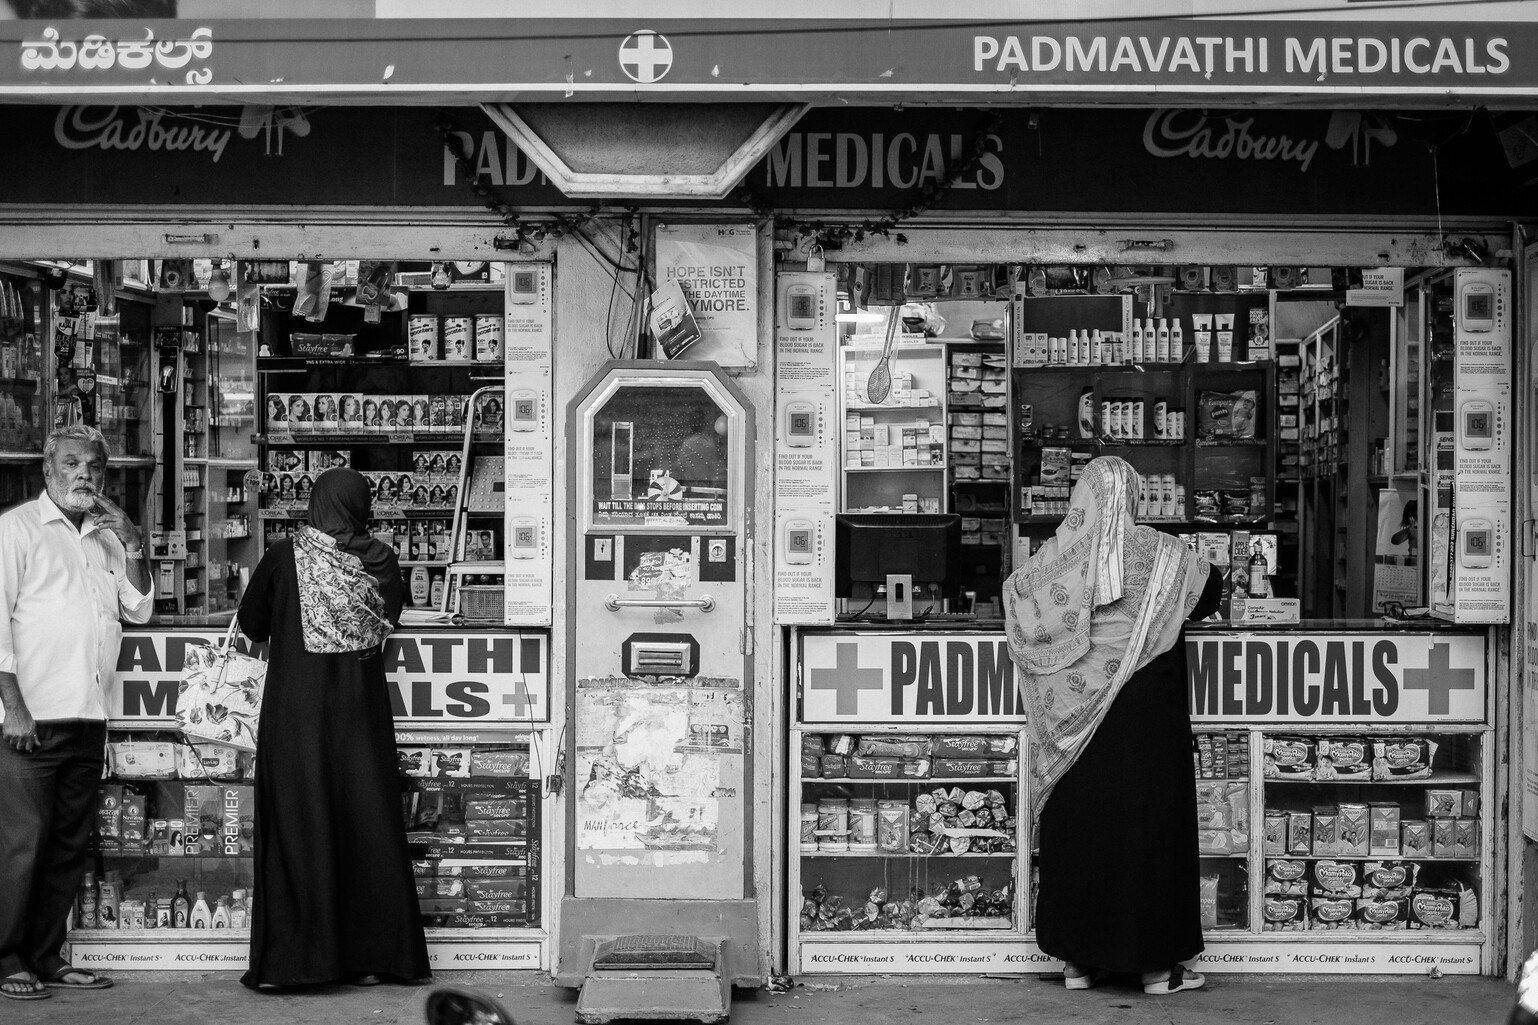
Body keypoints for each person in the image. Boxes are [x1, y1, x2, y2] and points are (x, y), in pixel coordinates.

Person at [1003, 456, 1220, 996]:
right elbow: (1212, 593)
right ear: (1133, 500)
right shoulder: (1163, 554)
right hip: (1145, 728)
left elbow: (1012, 600)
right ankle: (1155, 969)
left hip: (1073, 735)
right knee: (1147, 835)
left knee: (1079, 830)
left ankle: (1077, 963)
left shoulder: (1050, 562)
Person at [237, 468, 430, 990]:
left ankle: (297, 965)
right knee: (366, 828)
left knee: (299, 829)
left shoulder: (284, 556)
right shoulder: (382, 560)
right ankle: (374, 958)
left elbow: (251, 626)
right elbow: (388, 619)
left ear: (317, 502)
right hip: (359, 719)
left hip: (295, 719)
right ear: (360, 505)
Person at [0, 425, 152, 1001]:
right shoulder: (16, 531)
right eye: (71, 465)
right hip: (30, 720)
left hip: (90, 715)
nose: (83, 475)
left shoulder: (106, 539)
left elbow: (138, 611)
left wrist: (133, 540)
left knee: (67, 845)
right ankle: (7, 957)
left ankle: (44, 956)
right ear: (48, 471)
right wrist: (13, 708)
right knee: (20, 845)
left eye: (93, 467)